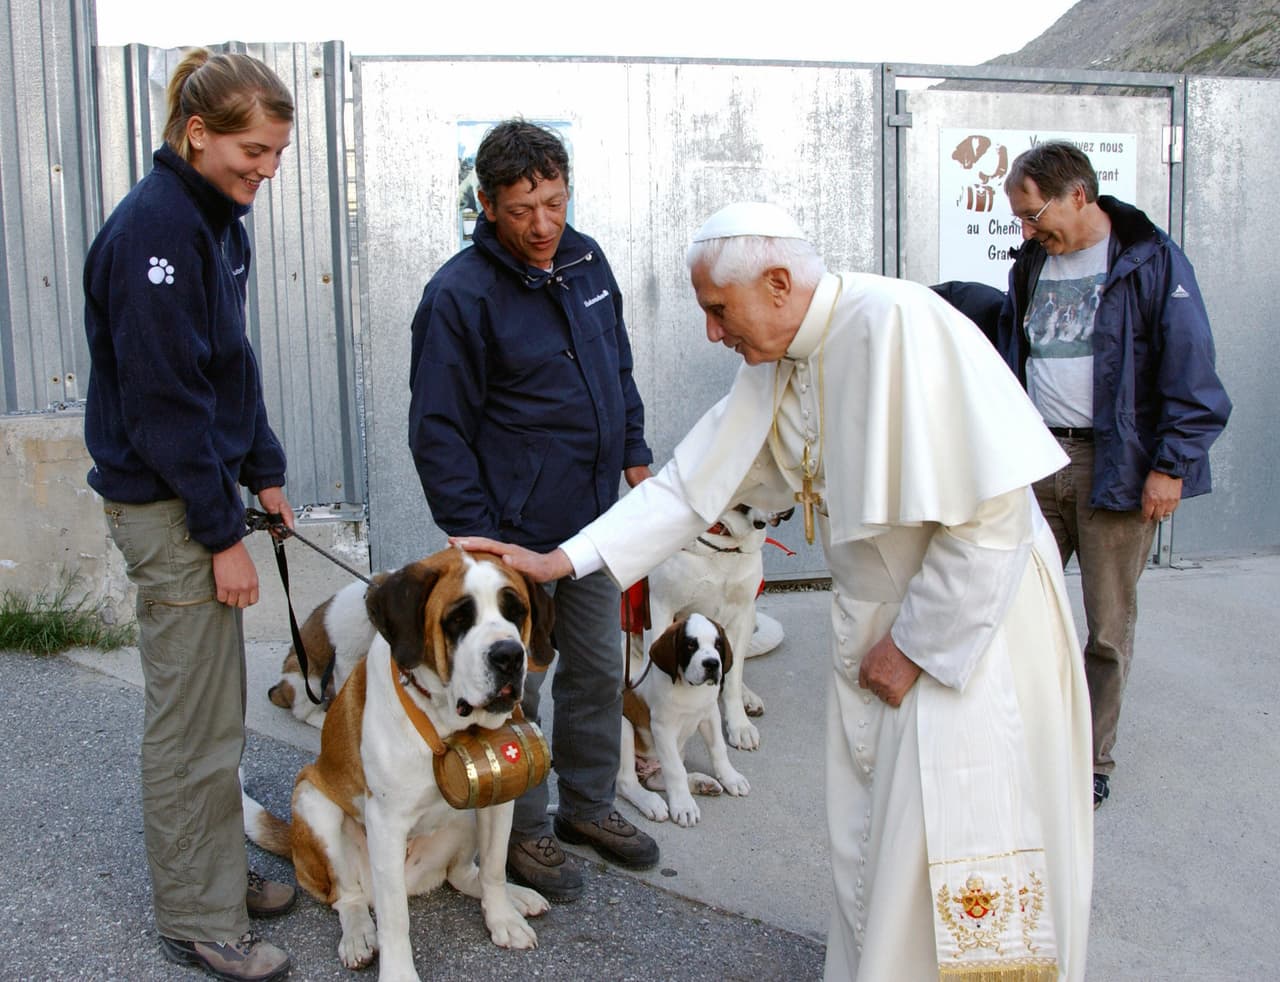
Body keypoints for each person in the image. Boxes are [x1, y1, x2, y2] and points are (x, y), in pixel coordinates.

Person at [456, 201, 1095, 980]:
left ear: (780, 284)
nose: (713, 332)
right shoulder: (784, 358)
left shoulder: (901, 325)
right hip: (893, 618)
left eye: (717, 310)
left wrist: (917, 646)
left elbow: (991, 519)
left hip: (970, 625)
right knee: (888, 833)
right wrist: (562, 560)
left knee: (960, 827)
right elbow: (692, 487)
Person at [83, 48, 299, 982]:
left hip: (201, 488)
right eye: (252, 151)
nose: (265, 171)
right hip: (169, 507)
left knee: (217, 711)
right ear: (197, 132)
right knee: (192, 725)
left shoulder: (219, 219)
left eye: (276, 156)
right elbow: (166, 404)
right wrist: (222, 536)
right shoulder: (155, 233)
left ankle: (212, 870)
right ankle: (197, 916)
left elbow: (230, 366)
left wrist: (267, 469)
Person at [408, 118, 658, 903]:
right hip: (510, 537)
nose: (544, 224)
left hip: (593, 524)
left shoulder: (586, 261)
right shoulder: (458, 295)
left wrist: (635, 452)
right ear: (485, 204)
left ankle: (588, 805)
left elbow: (616, 364)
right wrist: (476, 536)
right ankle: (523, 831)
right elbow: (437, 426)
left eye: (555, 201)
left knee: (594, 667)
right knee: (518, 683)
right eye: (523, 209)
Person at [998, 142, 1232, 809]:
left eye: (1032, 212)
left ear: (1077, 194)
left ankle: (1090, 759)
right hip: (1037, 458)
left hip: (1119, 466)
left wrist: (1171, 466)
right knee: (1016, 609)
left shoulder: (1151, 262)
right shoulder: (1034, 263)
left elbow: (1192, 370)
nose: (1026, 229)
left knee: (1107, 625)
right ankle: (1024, 739)